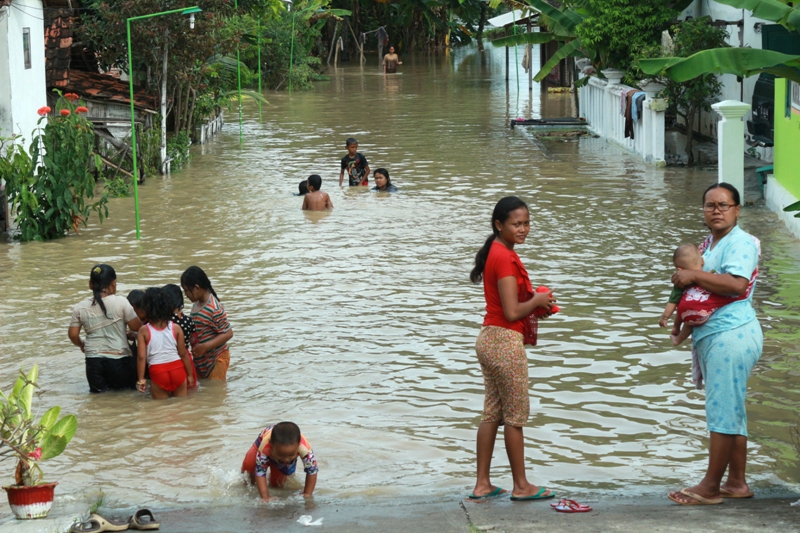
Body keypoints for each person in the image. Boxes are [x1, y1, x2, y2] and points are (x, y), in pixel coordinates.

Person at [667, 182, 762, 505]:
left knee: (722, 410)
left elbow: (736, 284)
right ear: (704, 211)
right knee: (732, 409)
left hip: (731, 334)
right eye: (710, 205)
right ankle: (736, 483)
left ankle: (710, 487)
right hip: (716, 335)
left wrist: (693, 277)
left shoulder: (741, 243)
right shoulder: (709, 245)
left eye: (724, 205)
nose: (717, 210)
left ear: (737, 209)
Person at [468, 196, 556, 501]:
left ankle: (482, 484)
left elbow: (509, 306)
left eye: (527, 223)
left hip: (489, 339)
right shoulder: (504, 257)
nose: (523, 229)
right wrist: (538, 301)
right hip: (504, 341)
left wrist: (534, 302)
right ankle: (521, 486)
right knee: (515, 416)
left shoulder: (495, 250)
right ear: (499, 225)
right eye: (516, 224)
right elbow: (512, 311)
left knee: (492, 412)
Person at [68, 264, 142, 393]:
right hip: (119, 360)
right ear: (113, 283)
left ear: (90, 285)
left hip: (93, 361)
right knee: (126, 398)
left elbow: (73, 335)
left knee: (99, 399)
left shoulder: (80, 307)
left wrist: (82, 344)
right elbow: (137, 327)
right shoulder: (121, 302)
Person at [660, 243, 749, 346]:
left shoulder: (681, 282)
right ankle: (679, 339)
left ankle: (676, 328)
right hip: (700, 314)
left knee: (681, 306)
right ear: (702, 261)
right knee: (690, 323)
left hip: (684, 310)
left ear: (679, 270)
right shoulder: (706, 277)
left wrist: (665, 317)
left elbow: (672, 302)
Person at [136, 287, 195, 399]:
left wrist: (141, 379)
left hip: (158, 372)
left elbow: (141, 357)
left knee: (161, 410)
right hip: (178, 370)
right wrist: (190, 375)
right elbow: (183, 354)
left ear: (146, 309)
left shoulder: (144, 331)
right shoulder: (176, 328)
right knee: (181, 408)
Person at [241, 421, 318, 501]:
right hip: (263, 441)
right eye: (281, 455)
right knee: (248, 466)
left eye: (291, 455)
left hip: (278, 449)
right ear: (271, 445)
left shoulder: (305, 449)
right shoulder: (265, 447)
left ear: (298, 446)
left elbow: (312, 471)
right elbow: (260, 472)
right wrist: (265, 497)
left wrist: (307, 493)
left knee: (277, 483)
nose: (286, 459)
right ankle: (249, 483)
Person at [181, 266, 233, 381]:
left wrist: (205, 346)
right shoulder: (197, 304)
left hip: (216, 358)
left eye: (187, 291)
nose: (186, 295)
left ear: (197, 288)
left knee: (216, 392)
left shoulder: (214, 308)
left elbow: (228, 333)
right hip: (201, 359)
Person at [163, 283, 198, 389]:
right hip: (186, 358)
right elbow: (194, 342)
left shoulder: (163, 321)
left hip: (168, 358)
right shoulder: (189, 321)